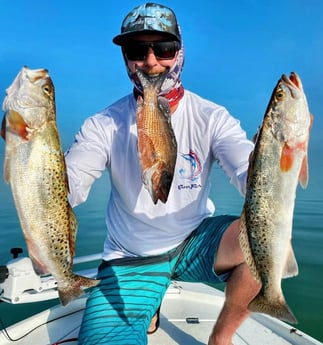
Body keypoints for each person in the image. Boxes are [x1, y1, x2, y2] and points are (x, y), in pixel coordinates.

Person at [65, 3, 261, 345]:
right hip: (130, 258)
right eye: (137, 50)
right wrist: (32, 151)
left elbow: (249, 176)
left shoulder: (211, 117)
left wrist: (275, 156)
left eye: (164, 48)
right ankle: (149, 298)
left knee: (267, 242)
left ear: (179, 52)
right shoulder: (103, 124)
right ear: (125, 57)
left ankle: (221, 338)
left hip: (195, 240)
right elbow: (71, 187)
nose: (151, 61)